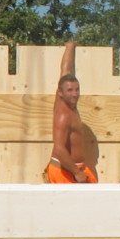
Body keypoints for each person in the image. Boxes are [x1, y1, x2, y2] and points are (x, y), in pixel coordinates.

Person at [43, 40, 100, 183]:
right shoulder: (63, 115)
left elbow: (66, 70)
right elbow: (59, 148)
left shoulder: (69, 104)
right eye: (70, 90)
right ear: (60, 93)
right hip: (65, 171)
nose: (75, 94)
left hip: (76, 170)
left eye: (77, 89)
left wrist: (70, 47)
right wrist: (77, 172)